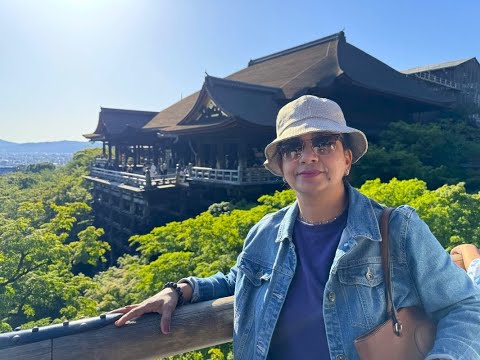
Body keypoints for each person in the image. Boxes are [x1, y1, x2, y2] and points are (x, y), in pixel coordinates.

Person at [113, 96, 480, 360]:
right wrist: (179, 291)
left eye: (324, 142)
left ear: (347, 158)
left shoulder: (397, 229)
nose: (308, 155)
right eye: (293, 147)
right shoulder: (264, 232)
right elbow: (239, 280)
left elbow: (464, 306)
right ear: (282, 166)